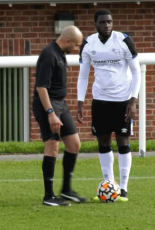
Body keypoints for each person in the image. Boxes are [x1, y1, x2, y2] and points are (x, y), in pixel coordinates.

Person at [77, 9, 141, 202]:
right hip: (100, 102)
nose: (107, 26)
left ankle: (123, 189)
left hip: (122, 101)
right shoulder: (88, 44)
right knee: (103, 143)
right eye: (103, 22)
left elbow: (137, 72)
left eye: (110, 22)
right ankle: (109, 185)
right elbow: (83, 74)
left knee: (123, 142)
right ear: (95, 24)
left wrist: (133, 100)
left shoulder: (124, 41)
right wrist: (80, 101)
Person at [33, 25, 88, 206]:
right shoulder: (49, 54)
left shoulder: (60, 53)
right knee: (53, 147)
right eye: (76, 45)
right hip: (47, 106)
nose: (77, 49)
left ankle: (66, 190)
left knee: (74, 144)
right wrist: (51, 113)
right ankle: (48, 196)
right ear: (67, 41)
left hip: (61, 105)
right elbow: (41, 87)